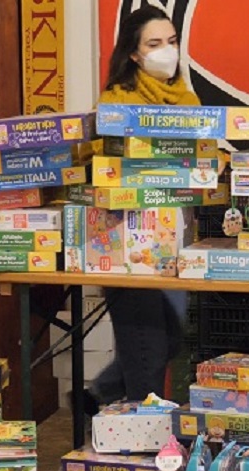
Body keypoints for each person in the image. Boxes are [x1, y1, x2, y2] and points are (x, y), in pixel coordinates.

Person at [79, 6, 195, 413]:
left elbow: (200, 155)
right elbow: (102, 167)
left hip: (175, 240)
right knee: (147, 348)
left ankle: (98, 396)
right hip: (129, 240)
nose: (167, 51)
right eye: (155, 43)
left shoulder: (186, 98)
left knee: (172, 338)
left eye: (172, 42)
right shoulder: (117, 102)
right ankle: (142, 433)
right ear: (133, 53)